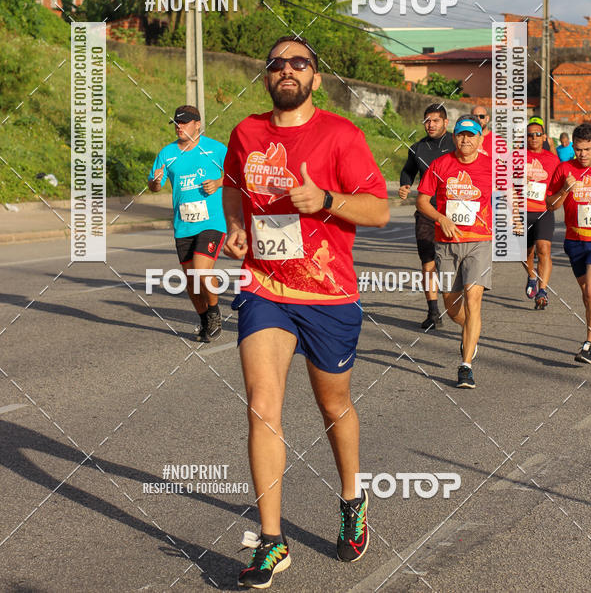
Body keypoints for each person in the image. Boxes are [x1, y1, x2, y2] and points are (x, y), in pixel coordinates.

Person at [222, 36, 389, 589]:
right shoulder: (246, 132)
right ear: (266, 75)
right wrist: (236, 226)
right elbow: (231, 185)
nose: (287, 69)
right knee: (262, 406)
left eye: (300, 63)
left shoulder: (341, 135)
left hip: (328, 294)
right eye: (277, 63)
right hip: (265, 288)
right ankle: (272, 540)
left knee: (333, 404)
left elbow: (380, 210)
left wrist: (328, 201)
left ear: (315, 77)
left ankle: (352, 499)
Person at [416, 115, 492, 389]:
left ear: (480, 139)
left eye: (471, 135)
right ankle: (469, 330)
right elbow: (422, 201)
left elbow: (509, 194)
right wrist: (441, 218)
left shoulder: (491, 167)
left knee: (473, 299)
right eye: (461, 135)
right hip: (446, 243)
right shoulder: (440, 165)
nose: (465, 140)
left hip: (479, 241)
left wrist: (514, 218)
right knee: (452, 308)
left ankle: (465, 365)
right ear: (454, 137)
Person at [148, 105, 227, 342]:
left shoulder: (215, 149)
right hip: (183, 224)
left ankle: (214, 313)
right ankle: (204, 320)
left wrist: (218, 182)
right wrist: (155, 182)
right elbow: (154, 185)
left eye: (184, 123)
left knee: (202, 271)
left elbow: (237, 175)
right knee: (191, 280)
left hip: (212, 222)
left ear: (197, 124)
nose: (179, 127)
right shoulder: (167, 153)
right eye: (176, 123)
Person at [546, 122, 591, 364]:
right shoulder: (564, 168)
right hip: (575, 240)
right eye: (578, 149)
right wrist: (565, 189)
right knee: (588, 296)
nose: (583, 154)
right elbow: (551, 205)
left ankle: (589, 345)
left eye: (588, 149)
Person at [398, 104, 455, 330]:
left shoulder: (456, 143)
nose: (430, 125)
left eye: (435, 120)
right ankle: (433, 312)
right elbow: (408, 170)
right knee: (428, 260)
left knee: (454, 262)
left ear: (445, 122)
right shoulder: (417, 148)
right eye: (427, 121)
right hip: (426, 211)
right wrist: (405, 184)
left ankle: (458, 302)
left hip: (454, 212)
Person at [524, 119, 559, 308]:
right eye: (530, 135)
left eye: (538, 134)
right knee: (526, 253)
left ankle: (543, 290)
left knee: (544, 249)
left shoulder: (552, 159)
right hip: (521, 211)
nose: (534, 137)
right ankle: (531, 276)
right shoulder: (516, 157)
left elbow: (558, 184)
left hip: (543, 211)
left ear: (544, 137)